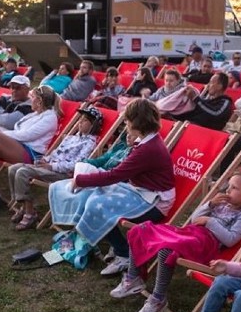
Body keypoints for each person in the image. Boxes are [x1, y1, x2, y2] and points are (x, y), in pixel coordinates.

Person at [111, 169, 241, 312]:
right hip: (189, 233)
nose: (228, 190)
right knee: (141, 229)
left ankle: (158, 298)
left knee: (167, 250)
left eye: (234, 188)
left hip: (204, 245)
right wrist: (210, 205)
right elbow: (194, 219)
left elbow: (231, 239)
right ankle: (133, 277)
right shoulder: (219, 205)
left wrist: (209, 221)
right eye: (229, 185)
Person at [49, 98, 175, 274]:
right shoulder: (148, 141)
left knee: (97, 204)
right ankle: (102, 243)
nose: (126, 123)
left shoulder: (148, 149)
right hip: (142, 192)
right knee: (93, 195)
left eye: (128, 120)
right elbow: (117, 174)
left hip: (154, 202)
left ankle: (123, 253)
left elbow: (115, 175)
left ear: (137, 122)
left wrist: (80, 180)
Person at [8, 107, 102, 230]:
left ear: (93, 125)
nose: (80, 122)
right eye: (80, 119)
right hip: (49, 167)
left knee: (22, 172)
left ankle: (30, 213)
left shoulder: (90, 143)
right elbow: (56, 153)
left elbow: (77, 164)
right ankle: (25, 207)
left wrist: (52, 166)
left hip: (63, 173)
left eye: (84, 121)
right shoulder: (72, 137)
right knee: (13, 169)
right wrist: (46, 160)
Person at [167, 71, 234, 130]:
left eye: (211, 82)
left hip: (205, 133)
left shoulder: (226, 102)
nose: (208, 85)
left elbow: (215, 113)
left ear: (220, 86)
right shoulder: (207, 100)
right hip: (190, 126)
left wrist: (195, 98)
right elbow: (193, 112)